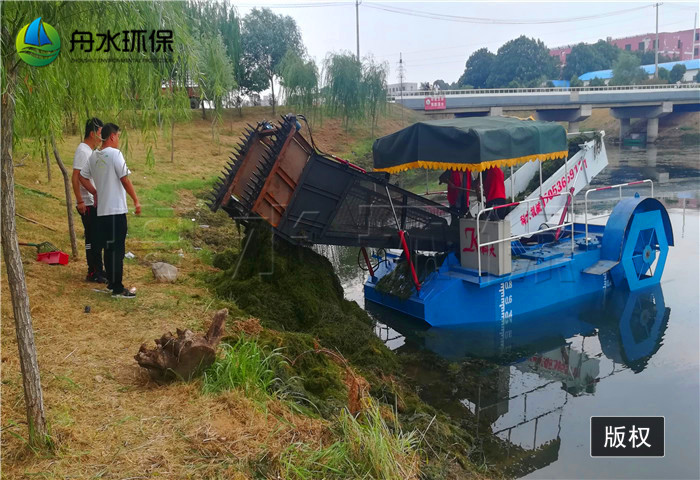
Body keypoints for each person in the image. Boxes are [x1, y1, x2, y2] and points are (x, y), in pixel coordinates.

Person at [79, 123, 141, 298]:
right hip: (116, 210)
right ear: (113, 136)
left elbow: (82, 177)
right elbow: (125, 180)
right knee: (118, 250)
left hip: (102, 212)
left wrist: (95, 192)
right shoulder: (115, 154)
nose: (119, 140)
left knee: (108, 248)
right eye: (118, 136)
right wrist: (136, 200)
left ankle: (112, 283)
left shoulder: (94, 156)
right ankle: (118, 288)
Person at [72, 117, 105, 283]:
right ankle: (93, 272)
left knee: (96, 237)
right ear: (92, 134)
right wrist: (80, 201)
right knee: (92, 238)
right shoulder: (83, 151)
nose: (102, 137)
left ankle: (99, 270)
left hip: (93, 202)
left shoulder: (90, 151)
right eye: (100, 134)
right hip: (88, 203)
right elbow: (75, 177)